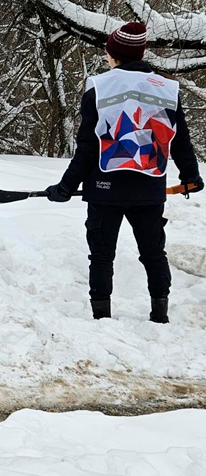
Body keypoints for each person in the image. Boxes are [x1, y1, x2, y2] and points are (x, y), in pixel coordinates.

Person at [46, 22, 202, 323]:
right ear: (141, 53)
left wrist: (66, 186)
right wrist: (190, 176)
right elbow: (180, 139)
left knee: (102, 256)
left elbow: (88, 148)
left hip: (105, 187)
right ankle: (160, 316)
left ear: (112, 54)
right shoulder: (167, 89)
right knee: (154, 254)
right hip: (149, 186)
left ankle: (101, 318)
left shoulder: (99, 87)